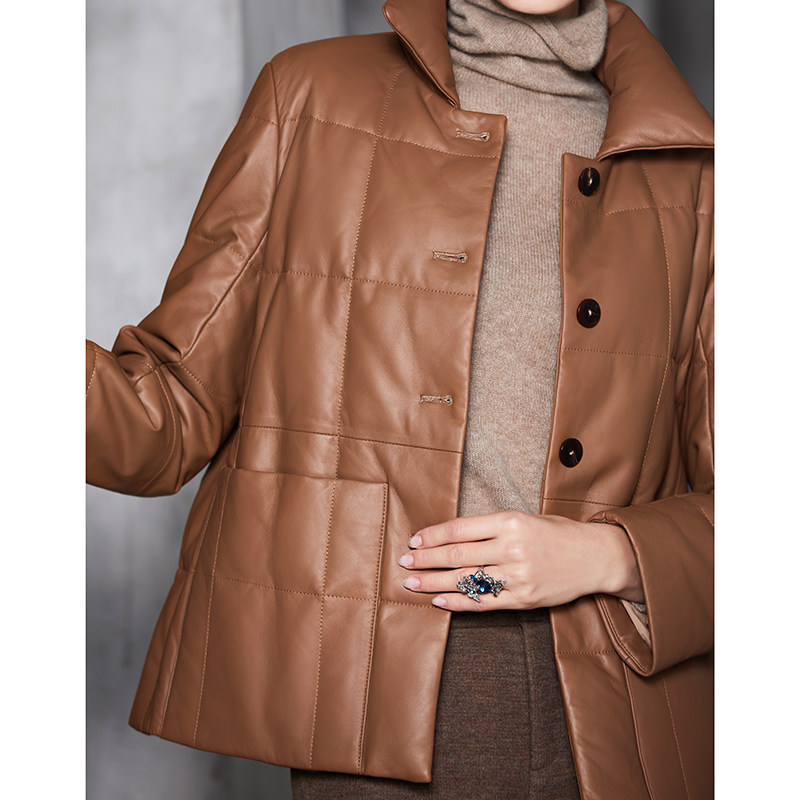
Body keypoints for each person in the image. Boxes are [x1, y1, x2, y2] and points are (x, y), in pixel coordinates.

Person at [86, 0, 713, 797]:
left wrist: (610, 555)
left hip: (624, 716)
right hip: (366, 694)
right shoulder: (311, 98)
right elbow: (168, 412)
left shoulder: (699, 170)